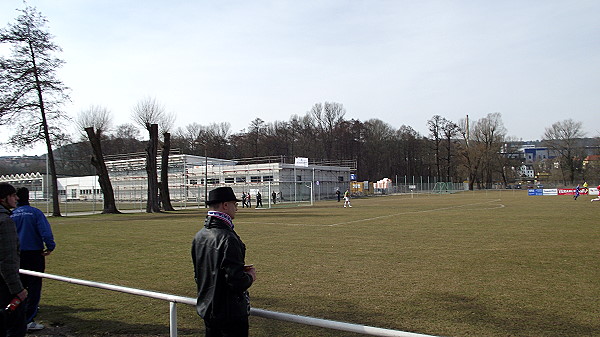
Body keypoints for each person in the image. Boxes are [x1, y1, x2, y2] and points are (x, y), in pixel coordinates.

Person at [192, 187, 256, 337]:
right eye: (235, 204)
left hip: (208, 309)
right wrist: (250, 276)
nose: (237, 209)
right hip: (229, 315)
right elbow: (235, 282)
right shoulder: (228, 238)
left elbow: (202, 273)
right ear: (225, 205)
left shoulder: (199, 236)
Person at [11, 188, 55, 332]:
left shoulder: (10, 214)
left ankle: (16, 316)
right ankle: (28, 319)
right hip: (34, 255)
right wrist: (50, 246)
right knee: (34, 286)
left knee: (18, 286)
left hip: (15, 255)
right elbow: (45, 231)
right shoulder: (35, 213)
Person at [0, 183, 28, 337]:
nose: (16, 198)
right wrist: (18, 290)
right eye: (13, 195)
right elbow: (7, 260)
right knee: (15, 326)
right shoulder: (5, 222)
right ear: (4, 198)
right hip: (5, 287)